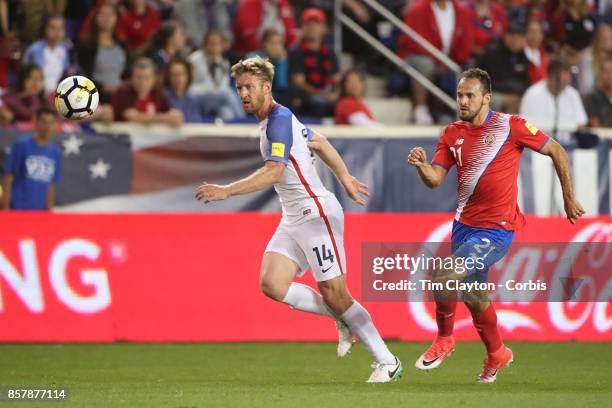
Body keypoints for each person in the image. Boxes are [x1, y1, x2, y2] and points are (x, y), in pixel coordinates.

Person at [195, 56, 403, 383]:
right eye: (239, 88)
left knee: (336, 294)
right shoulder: (277, 121)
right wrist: (345, 176)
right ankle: (343, 316)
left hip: (316, 213)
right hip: (293, 217)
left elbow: (275, 170)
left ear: (266, 87)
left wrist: (227, 191)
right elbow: (318, 141)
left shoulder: (278, 119)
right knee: (272, 283)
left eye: (249, 87)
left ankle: (386, 360)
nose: (243, 94)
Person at [407, 68, 584, 383]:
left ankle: (444, 339)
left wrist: (568, 198)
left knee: (445, 273)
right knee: (474, 296)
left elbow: (556, 150)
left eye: (469, 95)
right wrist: (422, 166)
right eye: (460, 94)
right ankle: (497, 353)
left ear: (486, 98)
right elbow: (435, 180)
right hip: (464, 227)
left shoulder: (510, 126)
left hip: (497, 230)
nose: (462, 100)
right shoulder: (451, 133)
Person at [397, 0, 473, 124]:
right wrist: (439, 62)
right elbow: (413, 41)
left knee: (471, 68)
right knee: (425, 64)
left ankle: (467, 112)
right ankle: (420, 108)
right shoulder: (418, 10)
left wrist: (454, 61)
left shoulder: (461, 11)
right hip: (415, 56)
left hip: (447, 60)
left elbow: (466, 41)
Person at [2, 107, 62, 211]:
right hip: (17, 209)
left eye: (51, 122)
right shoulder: (21, 145)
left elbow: (51, 184)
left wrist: (49, 210)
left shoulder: (55, 152)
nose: (47, 126)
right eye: (44, 122)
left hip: (38, 213)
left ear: (56, 125)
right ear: (36, 122)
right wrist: (5, 209)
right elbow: (8, 179)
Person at [519, 58, 587, 144]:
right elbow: (524, 125)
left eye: (565, 81)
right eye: (558, 81)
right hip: (537, 146)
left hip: (568, 145)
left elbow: (581, 123)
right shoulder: (532, 94)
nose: (561, 85)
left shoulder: (573, 94)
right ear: (548, 76)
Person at [288, 8, 340, 117]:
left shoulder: (330, 53)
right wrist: (324, 95)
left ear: (324, 28)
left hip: (327, 95)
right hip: (305, 98)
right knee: (317, 103)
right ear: (302, 27)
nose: (312, 27)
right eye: (308, 23)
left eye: (316, 23)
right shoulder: (295, 52)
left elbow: (337, 80)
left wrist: (336, 94)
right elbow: (299, 83)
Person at [76, 2, 128, 103]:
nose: (107, 18)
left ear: (116, 18)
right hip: (95, 96)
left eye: (110, 14)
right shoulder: (86, 46)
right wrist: (103, 87)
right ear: (96, 17)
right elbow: (83, 76)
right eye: (103, 14)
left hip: (120, 95)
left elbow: (126, 73)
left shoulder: (122, 44)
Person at [188, 30, 245, 121]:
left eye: (217, 44)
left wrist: (216, 93)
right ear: (204, 44)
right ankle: (244, 122)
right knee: (228, 93)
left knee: (227, 112)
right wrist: (212, 91)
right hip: (197, 99)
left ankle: (236, 131)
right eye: (211, 43)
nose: (214, 47)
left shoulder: (223, 62)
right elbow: (188, 88)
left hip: (217, 100)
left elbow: (223, 86)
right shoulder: (194, 60)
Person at [111, 57, 184, 126]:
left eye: (146, 77)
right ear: (132, 77)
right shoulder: (123, 92)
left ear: (154, 78)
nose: (142, 82)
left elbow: (172, 115)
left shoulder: (158, 93)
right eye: (138, 77)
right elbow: (131, 117)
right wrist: (164, 118)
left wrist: (174, 116)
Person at [478, 22, 532, 113]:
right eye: (512, 36)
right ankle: (507, 127)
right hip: (488, 93)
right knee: (513, 102)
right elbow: (493, 81)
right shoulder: (493, 53)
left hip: (515, 93)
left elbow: (526, 81)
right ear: (505, 37)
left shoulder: (523, 56)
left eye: (519, 37)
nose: (515, 41)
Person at [23, 14, 71, 94]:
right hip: (37, 93)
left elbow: (65, 74)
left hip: (56, 94)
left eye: (61, 28)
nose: (57, 32)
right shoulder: (35, 49)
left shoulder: (64, 49)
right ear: (45, 29)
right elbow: (32, 77)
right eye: (53, 28)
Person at [232, 0, 298, 55]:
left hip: (281, 52)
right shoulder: (249, 4)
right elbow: (248, 36)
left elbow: (291, 34)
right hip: (251, 53)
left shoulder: (283, 4)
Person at [247, 28, 291, 106]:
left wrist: (281, 62)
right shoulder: (253, 57)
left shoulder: (280, 59)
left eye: (279, 43)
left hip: (271, 96)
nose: (275, 47)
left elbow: (281, 85)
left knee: (289, 92)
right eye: (272, 43)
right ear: (263, 44)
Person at [163, 58, 206, 123]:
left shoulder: (192, 100)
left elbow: (197, 122)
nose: (178, 78)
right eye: (174, 74)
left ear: (188, 76)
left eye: (181, 74)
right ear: (169, 77)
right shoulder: (162, 97)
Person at [584, 55, 612, 127]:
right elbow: (596, 128)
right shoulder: (591, 98)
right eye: (607, 72)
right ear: (599, 74)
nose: (610, 75)